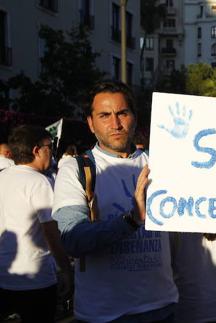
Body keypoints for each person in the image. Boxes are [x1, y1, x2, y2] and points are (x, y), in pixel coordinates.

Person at [52, 81, 177, 322]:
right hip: (103, 314)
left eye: (122, 113)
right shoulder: (76, 169)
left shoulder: (161, 163)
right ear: (91, 123)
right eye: (104, 115)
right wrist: (131, 220)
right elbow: (72, 239)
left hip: (162, 306)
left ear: (134, 117)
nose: (115, 124)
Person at [0, 125, 72, 322]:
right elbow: (52, 232)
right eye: (50, 146)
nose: (52, 152)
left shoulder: (2, 176)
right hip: (35, 279)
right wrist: (65, 268)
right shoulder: (39, 182)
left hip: (5, 275)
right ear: (36, 150)